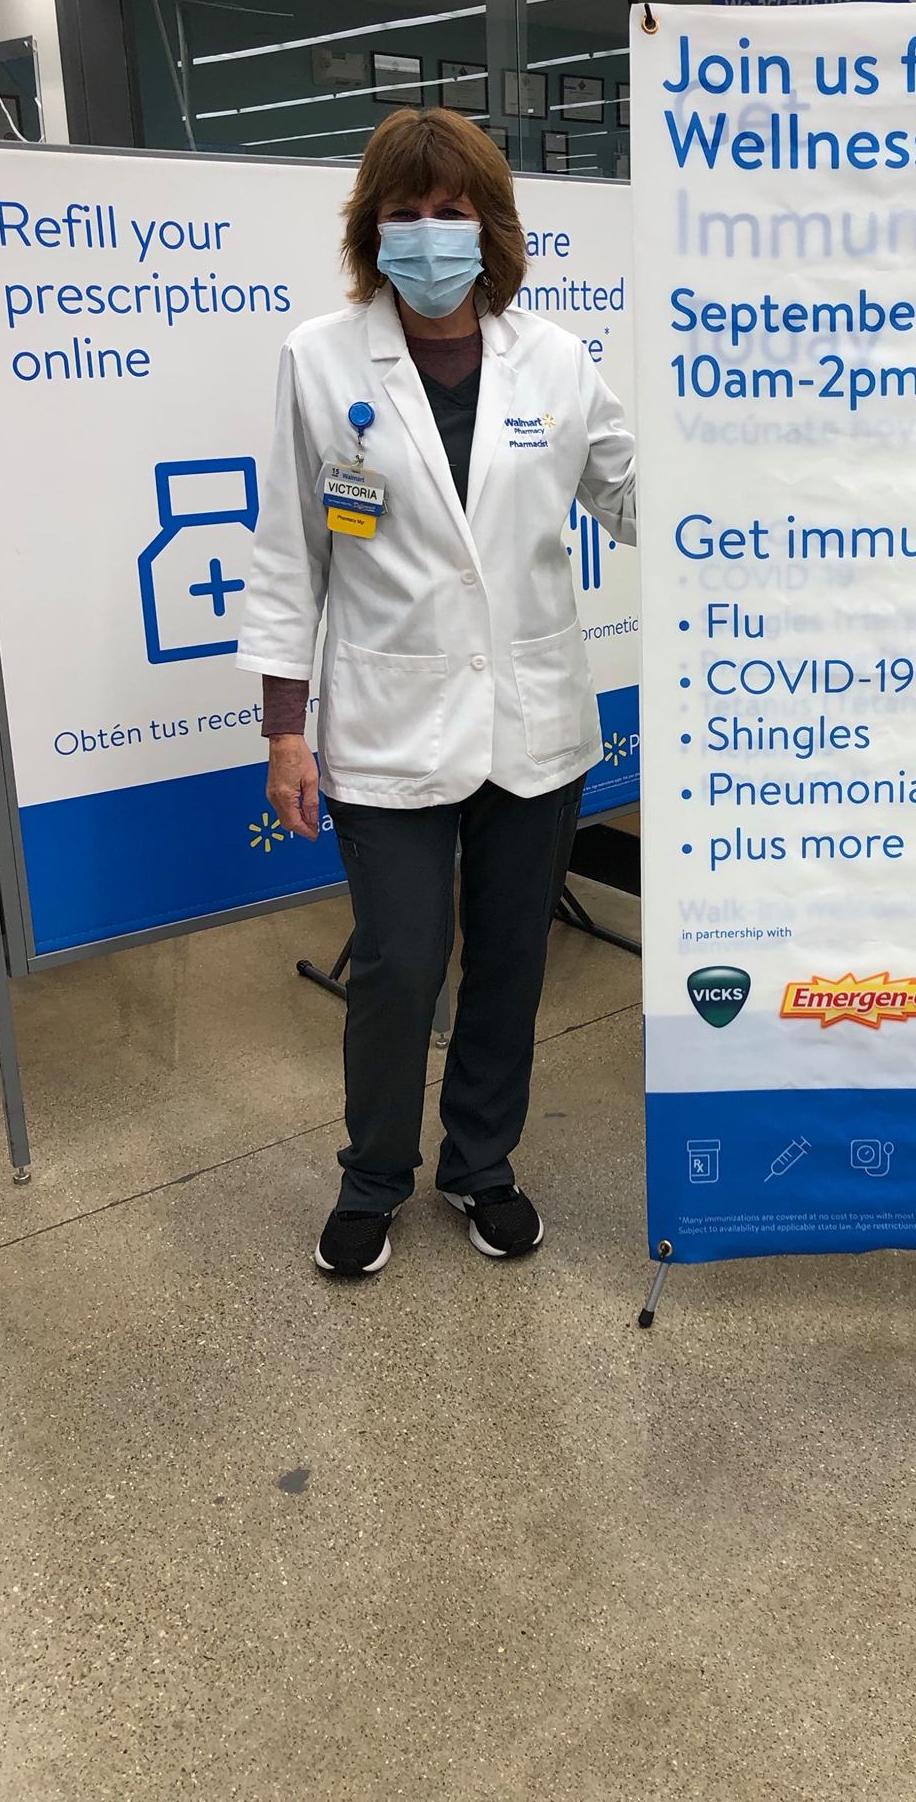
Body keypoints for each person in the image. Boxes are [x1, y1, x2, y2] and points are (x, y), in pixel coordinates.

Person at [236, 108, 636, 1278]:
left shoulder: (555, 360)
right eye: (403, 212)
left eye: (449, 210)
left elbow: (639, 496)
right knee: (400, 963)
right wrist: (284, 729)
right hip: (389, 720)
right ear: (372, 229)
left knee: (510, 961)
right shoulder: (319, 359)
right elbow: (288, 555)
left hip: (532, 723)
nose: (427, 232)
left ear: (488, 224)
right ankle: (373, 1173)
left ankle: (481, 1164)